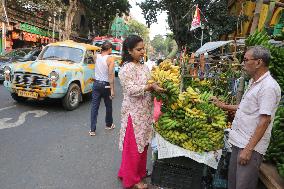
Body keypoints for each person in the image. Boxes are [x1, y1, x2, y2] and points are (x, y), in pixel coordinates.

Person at [211, 46, 281, 189]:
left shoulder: (268, 87)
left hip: (250, 147)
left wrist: (248, 150)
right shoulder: (254, 83)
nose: (243, 63)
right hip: (239, 141)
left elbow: (264, 121)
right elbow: (244, 107)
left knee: (243, 185)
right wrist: (223, 106)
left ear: (258, 62)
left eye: (245, 60)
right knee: (234, 184)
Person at [117, 35, 164, 189]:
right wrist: (148, 88)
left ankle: (133, 172)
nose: (142, 51)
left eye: (143, 48)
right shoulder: (126, 68)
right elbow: (130, 89)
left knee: (142, 145)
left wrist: (155, 86)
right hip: (133, 114)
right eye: (139, 49)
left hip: (145, 112)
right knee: (133, 147)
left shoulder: (144, 66)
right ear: (129, 51)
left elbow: (149, 82)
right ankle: (133, 179)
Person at [90, 41, 115, 136]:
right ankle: (108, 125)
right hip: (106, 85)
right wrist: (112, 89)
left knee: (94, 107)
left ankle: (92, 130)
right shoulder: (110, 59)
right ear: (109, 49)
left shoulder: (96, 56)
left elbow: (93, 58)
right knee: (108, 105)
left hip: (96, 84)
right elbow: (110, 74)